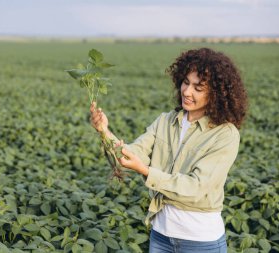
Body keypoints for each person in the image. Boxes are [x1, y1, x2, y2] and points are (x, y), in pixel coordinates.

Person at [90, 47, 247, 253]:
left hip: (200, 242)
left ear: (216, 94)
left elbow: (197, 187)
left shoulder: (225, 135)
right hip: (161, 237)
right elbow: (131, 154)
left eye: (198, 88)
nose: (187, 92)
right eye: (186, 82)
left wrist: (146, 171)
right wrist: (104, 131)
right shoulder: (165, 121)